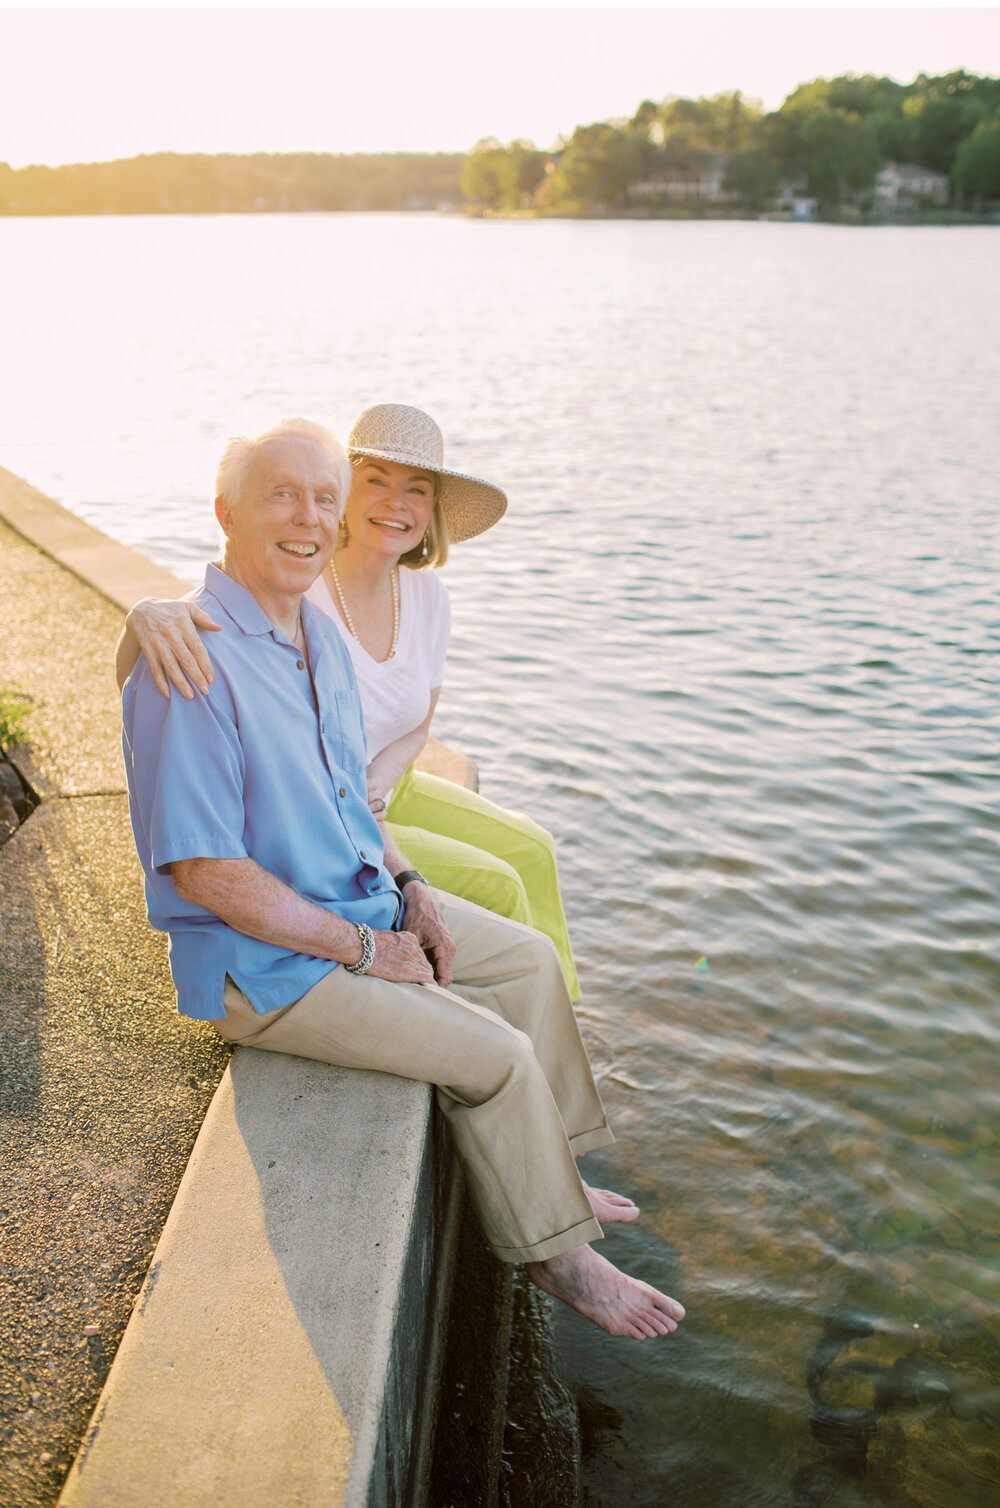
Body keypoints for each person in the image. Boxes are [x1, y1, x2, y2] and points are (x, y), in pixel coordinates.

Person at [120, 416, 685, 1340]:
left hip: (357, 897)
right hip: (263, 967)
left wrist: (414, 885)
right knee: (494, 1054)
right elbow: (206, 870)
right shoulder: (189, 659)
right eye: (283, 496)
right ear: (225, 511)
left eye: (322, 499)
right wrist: (363, 947)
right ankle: (558, 1256)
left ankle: (558, 1167)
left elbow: (356, 802)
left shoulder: (318, 641)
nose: (308, 518)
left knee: (530, 960)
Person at [115, 404, 580, 1000]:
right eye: (376, 482)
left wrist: (377, 790)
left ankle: (564, 1012)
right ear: (347, 497)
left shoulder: (425, 594)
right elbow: (204, 629)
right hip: (325, 812)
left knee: (534, 847)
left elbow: (419, 725)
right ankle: (509, 1013)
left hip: (379, 790)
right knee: (500, 882)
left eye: (417, 489)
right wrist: (142, 616)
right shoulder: (302, 574)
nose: (396, 503)